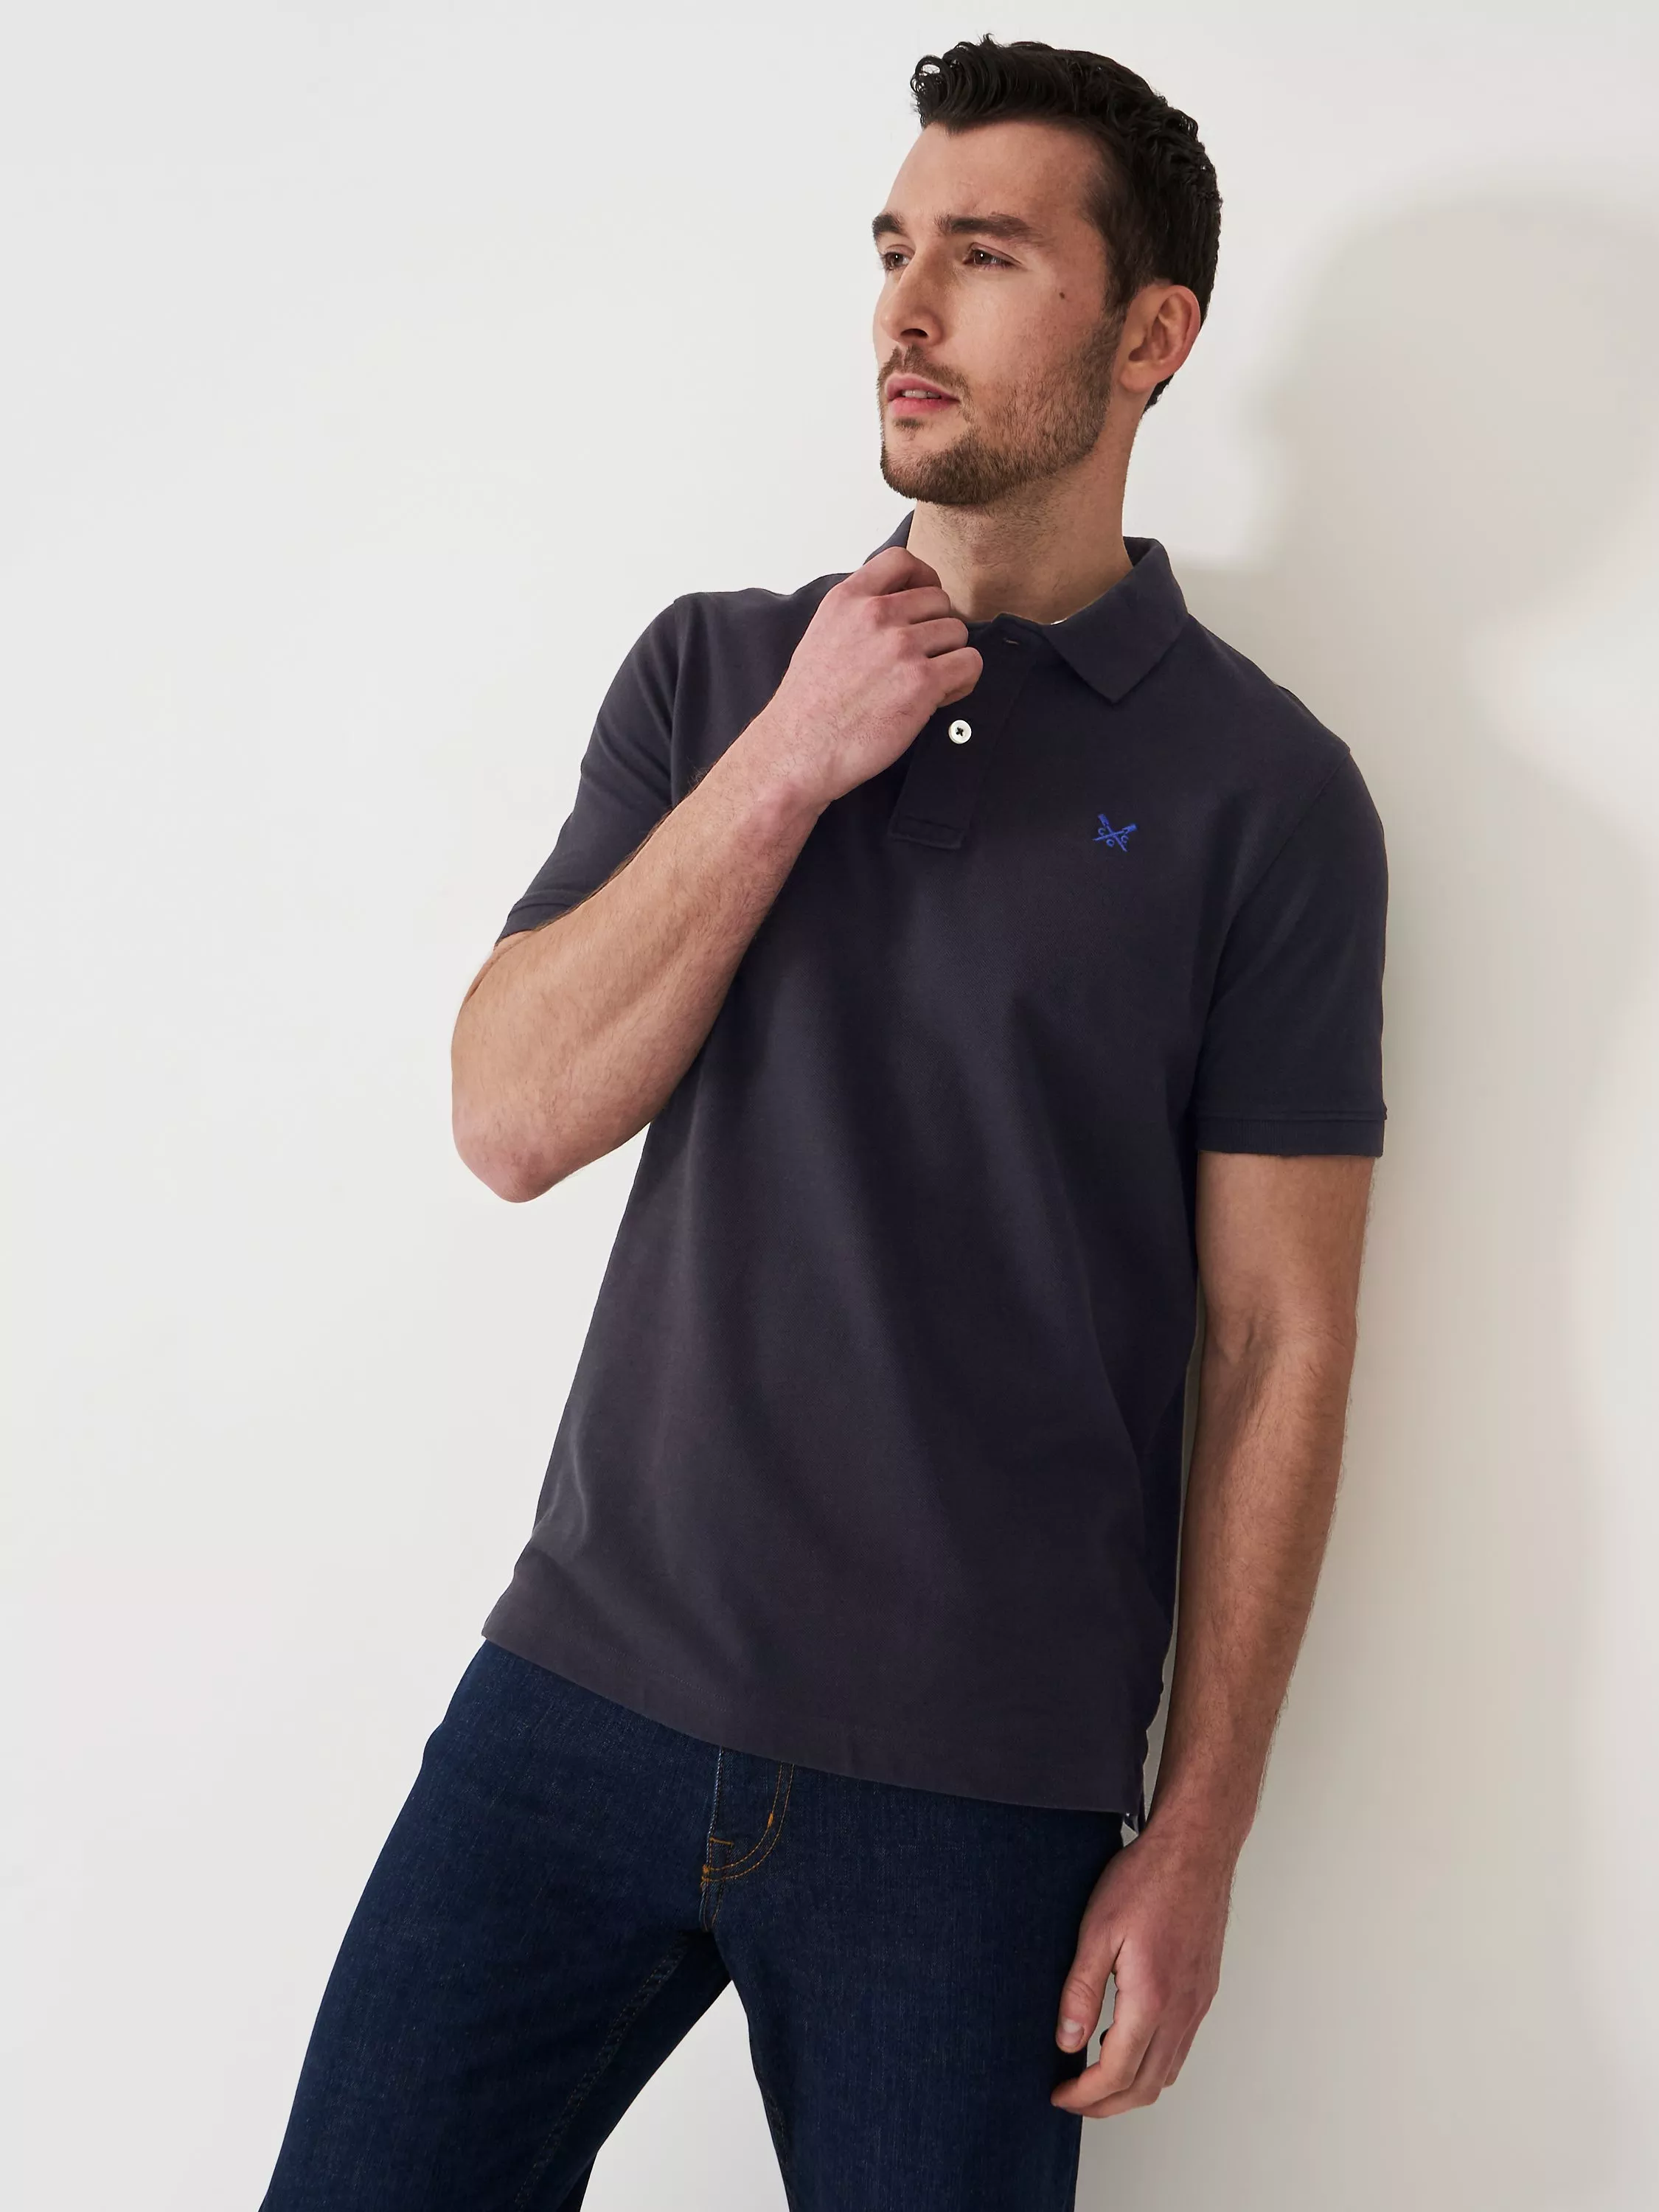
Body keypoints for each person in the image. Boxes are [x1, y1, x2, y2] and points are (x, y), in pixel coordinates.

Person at [259, 34, 1387, 2212]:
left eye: (988, 254)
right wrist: (789, 760)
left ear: (1150, 338)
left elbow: (1283, 1341)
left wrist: (1200, 1835)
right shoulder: (714, 674)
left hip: (974, 1795)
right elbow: (509, 1117)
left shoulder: (1270, 800)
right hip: (579, 1698)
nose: (907, 309)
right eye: (892, 249)